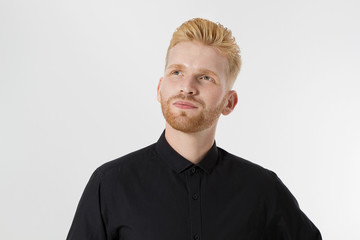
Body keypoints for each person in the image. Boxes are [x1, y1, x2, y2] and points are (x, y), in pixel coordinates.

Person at [66, 18, 322, 240]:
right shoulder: (110, 184)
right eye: (176, 72)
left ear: (229, 102)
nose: (187, 86)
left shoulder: (263, 190)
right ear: (159, 88)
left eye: (205, 77)